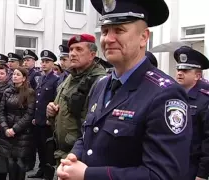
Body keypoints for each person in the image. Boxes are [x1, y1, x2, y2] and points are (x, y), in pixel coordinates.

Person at [56, 0, 192, 180]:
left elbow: (163, 175)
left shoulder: (165, 94)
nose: (108, 39)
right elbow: (89, 134)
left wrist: (88, 175)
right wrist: (73, 158)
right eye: (105, 31)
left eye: (119, 30)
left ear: (144, 37)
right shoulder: (101, 84)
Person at [46, 34, 106, 164]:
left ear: (92, 55)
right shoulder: (70, 77)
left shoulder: (100, 81)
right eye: (71, 49)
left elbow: (97, 124)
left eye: (78, 49)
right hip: (63, 152)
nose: (72, 54)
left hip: (81, 156)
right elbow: (61, 109)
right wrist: (51, 111)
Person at [174, 46, 209, 180]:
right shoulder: (172, 95)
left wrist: (202, 173)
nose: (180, 73)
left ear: (197, 76)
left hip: (193, 167)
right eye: (178, 69)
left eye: (185, 70)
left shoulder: (204, 100)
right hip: (173, 164)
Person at [0, 67, 35, 180]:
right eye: (14, 74)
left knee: (20, 162)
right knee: (9, 161)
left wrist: (15, 129)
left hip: (22, 133)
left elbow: (29, 115)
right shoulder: (7, 91)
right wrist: (5, 128)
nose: (15, 76)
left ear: (24, 78)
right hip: (7, 132)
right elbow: (1, 111)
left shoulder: (29, 93)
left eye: (18, 75)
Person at [28, 50, 59, 180]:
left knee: (48, 150)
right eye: (43, 61)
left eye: (47, 62)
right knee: (40, 148)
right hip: (38, 119)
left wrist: (50, 119)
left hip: (47, 122)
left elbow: (56, 101)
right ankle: (40, 170)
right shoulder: (40, 78)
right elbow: (37, 99)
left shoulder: (56, 80)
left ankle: (48, 174)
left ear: (53, 64)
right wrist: (35, 117)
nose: (44, 64)